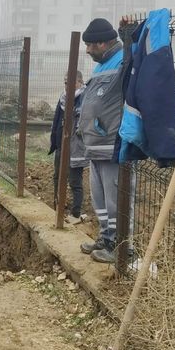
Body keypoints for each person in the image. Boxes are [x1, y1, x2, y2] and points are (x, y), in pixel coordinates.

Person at [78, 18, 135, 263]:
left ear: (102, 43)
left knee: (116, 198)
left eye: (91, 46)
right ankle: (106, 237)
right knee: (100, 199)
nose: (88, 51)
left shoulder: (123, 59)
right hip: (94, 145)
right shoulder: (101, 66)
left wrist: (128, 32)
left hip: (112, 144)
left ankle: (122, 246)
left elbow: (136, 56)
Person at [48, 70, 86, 223]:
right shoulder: (63, 98)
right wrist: (55, 141)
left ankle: (76, 214)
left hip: (75, 147)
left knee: (75, 181)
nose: (66, 85)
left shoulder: (84, 98)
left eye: (69, 82)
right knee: (57, 176)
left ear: (79, 82)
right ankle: (57, 206)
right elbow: (57, 120)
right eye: (65, 82)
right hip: (60, 145)